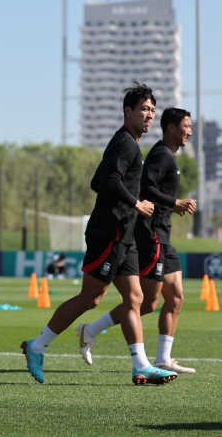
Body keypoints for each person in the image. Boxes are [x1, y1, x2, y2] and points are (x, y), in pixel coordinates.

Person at [20, 82, 179, 386]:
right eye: (143, 109)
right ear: (127, 111)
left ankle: (141, 365)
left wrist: (128, 205)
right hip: (108, 234)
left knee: (135, 297)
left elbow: (98, 181)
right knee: (90, 298)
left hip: (125, 234)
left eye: (152, 111)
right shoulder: (126, 144)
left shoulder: (131, 144)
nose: (149, 115)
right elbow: (108, 181)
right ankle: (37, 346)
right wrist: (135, 202)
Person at [77, 108, 196, 373]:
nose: (189, 131)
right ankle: (90, 330)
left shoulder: (170, 156)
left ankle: (163, 358)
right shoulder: (161, 154)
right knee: (146, 302)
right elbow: (145, 188)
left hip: (164, 235)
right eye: (186, 126)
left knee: (175, 297)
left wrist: (172, 206)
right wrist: (174, 202)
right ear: (171, 128)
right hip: (150, 234)